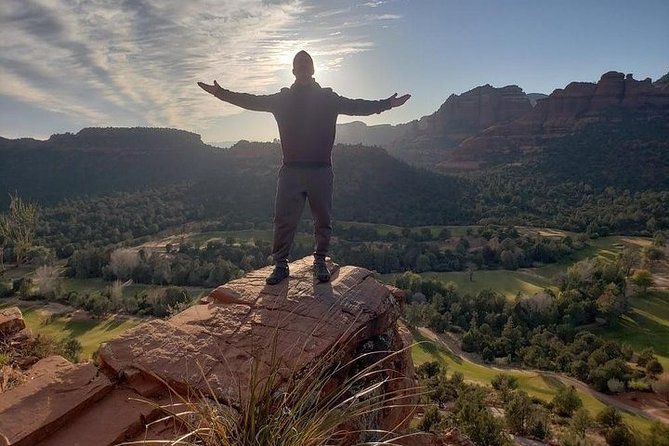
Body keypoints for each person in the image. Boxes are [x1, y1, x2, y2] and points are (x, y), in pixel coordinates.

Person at [198, 50, 410, 285]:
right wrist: (220, 93)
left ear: (312, 69)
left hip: (321, 170)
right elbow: (251, 101)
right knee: (283, 219)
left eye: (305, 63)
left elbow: (358, 106)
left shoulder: (328, 98)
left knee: (323, 219)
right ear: (293, 70)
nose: (302, 67)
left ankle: (320, 261)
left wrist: (388, 104)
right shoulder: (282, 99)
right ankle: (280, 263)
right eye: (299, 64)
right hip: (291, 170)